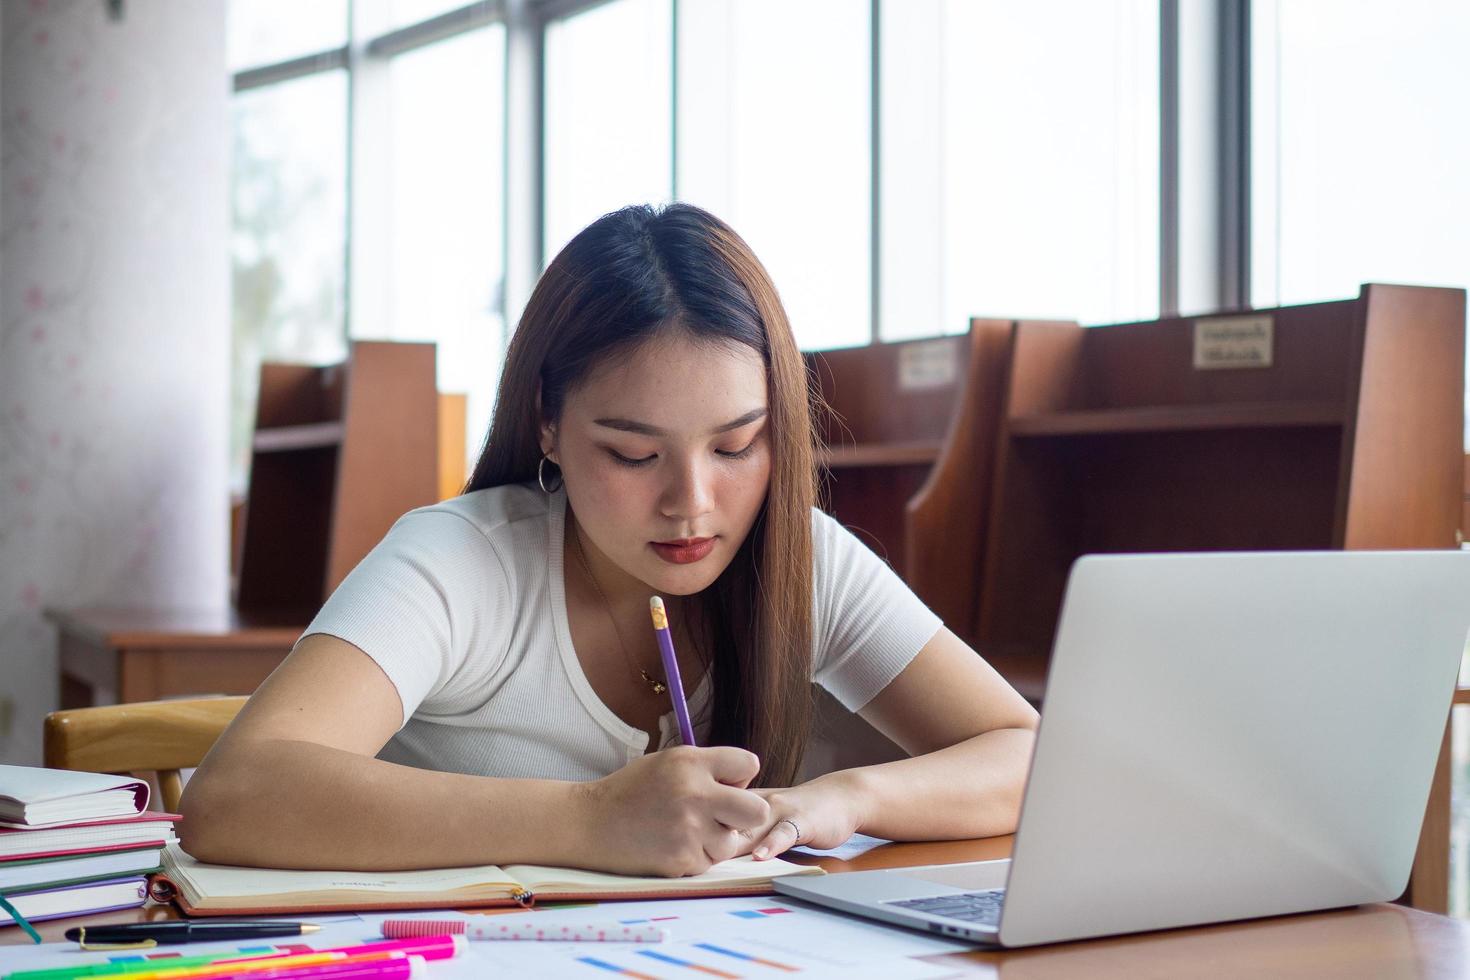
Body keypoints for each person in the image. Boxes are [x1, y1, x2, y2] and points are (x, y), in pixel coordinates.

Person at [180, 203, 1038, 876]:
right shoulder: (460, 563)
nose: (693, 503)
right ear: (547, 423)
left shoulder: (801, 559)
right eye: (633, 453)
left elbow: (1027, 754)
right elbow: (235, 796)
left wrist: (844, 800)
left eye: (737, 445)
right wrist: (592, 817)